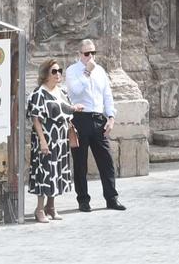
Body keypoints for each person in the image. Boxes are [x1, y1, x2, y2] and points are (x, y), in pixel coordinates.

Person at [61, 38, 123, 211]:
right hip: (80, 118)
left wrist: (111, 117)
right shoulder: (73, 71)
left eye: (93, 53)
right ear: (79, 54)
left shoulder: (101, 71)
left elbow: (107, 95)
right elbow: (75, 91)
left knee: (106, 161)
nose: (90, 57)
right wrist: (86, 73)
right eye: (87, 53)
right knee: (80, 163)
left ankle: (112, 198)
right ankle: (83, 200)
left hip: (98, 118)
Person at [24, 58, 71, 223]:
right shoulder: (38, 93)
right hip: (45, 137)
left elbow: (67, 110)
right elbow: (35, 118)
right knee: (44, 172)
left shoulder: (62, 92)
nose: (58, 74)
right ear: (45, 74)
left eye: (59, 71)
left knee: (56, 172)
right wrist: (43, 141)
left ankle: (51, 206)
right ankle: (39, 209)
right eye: (54, 71)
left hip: (60, 139)